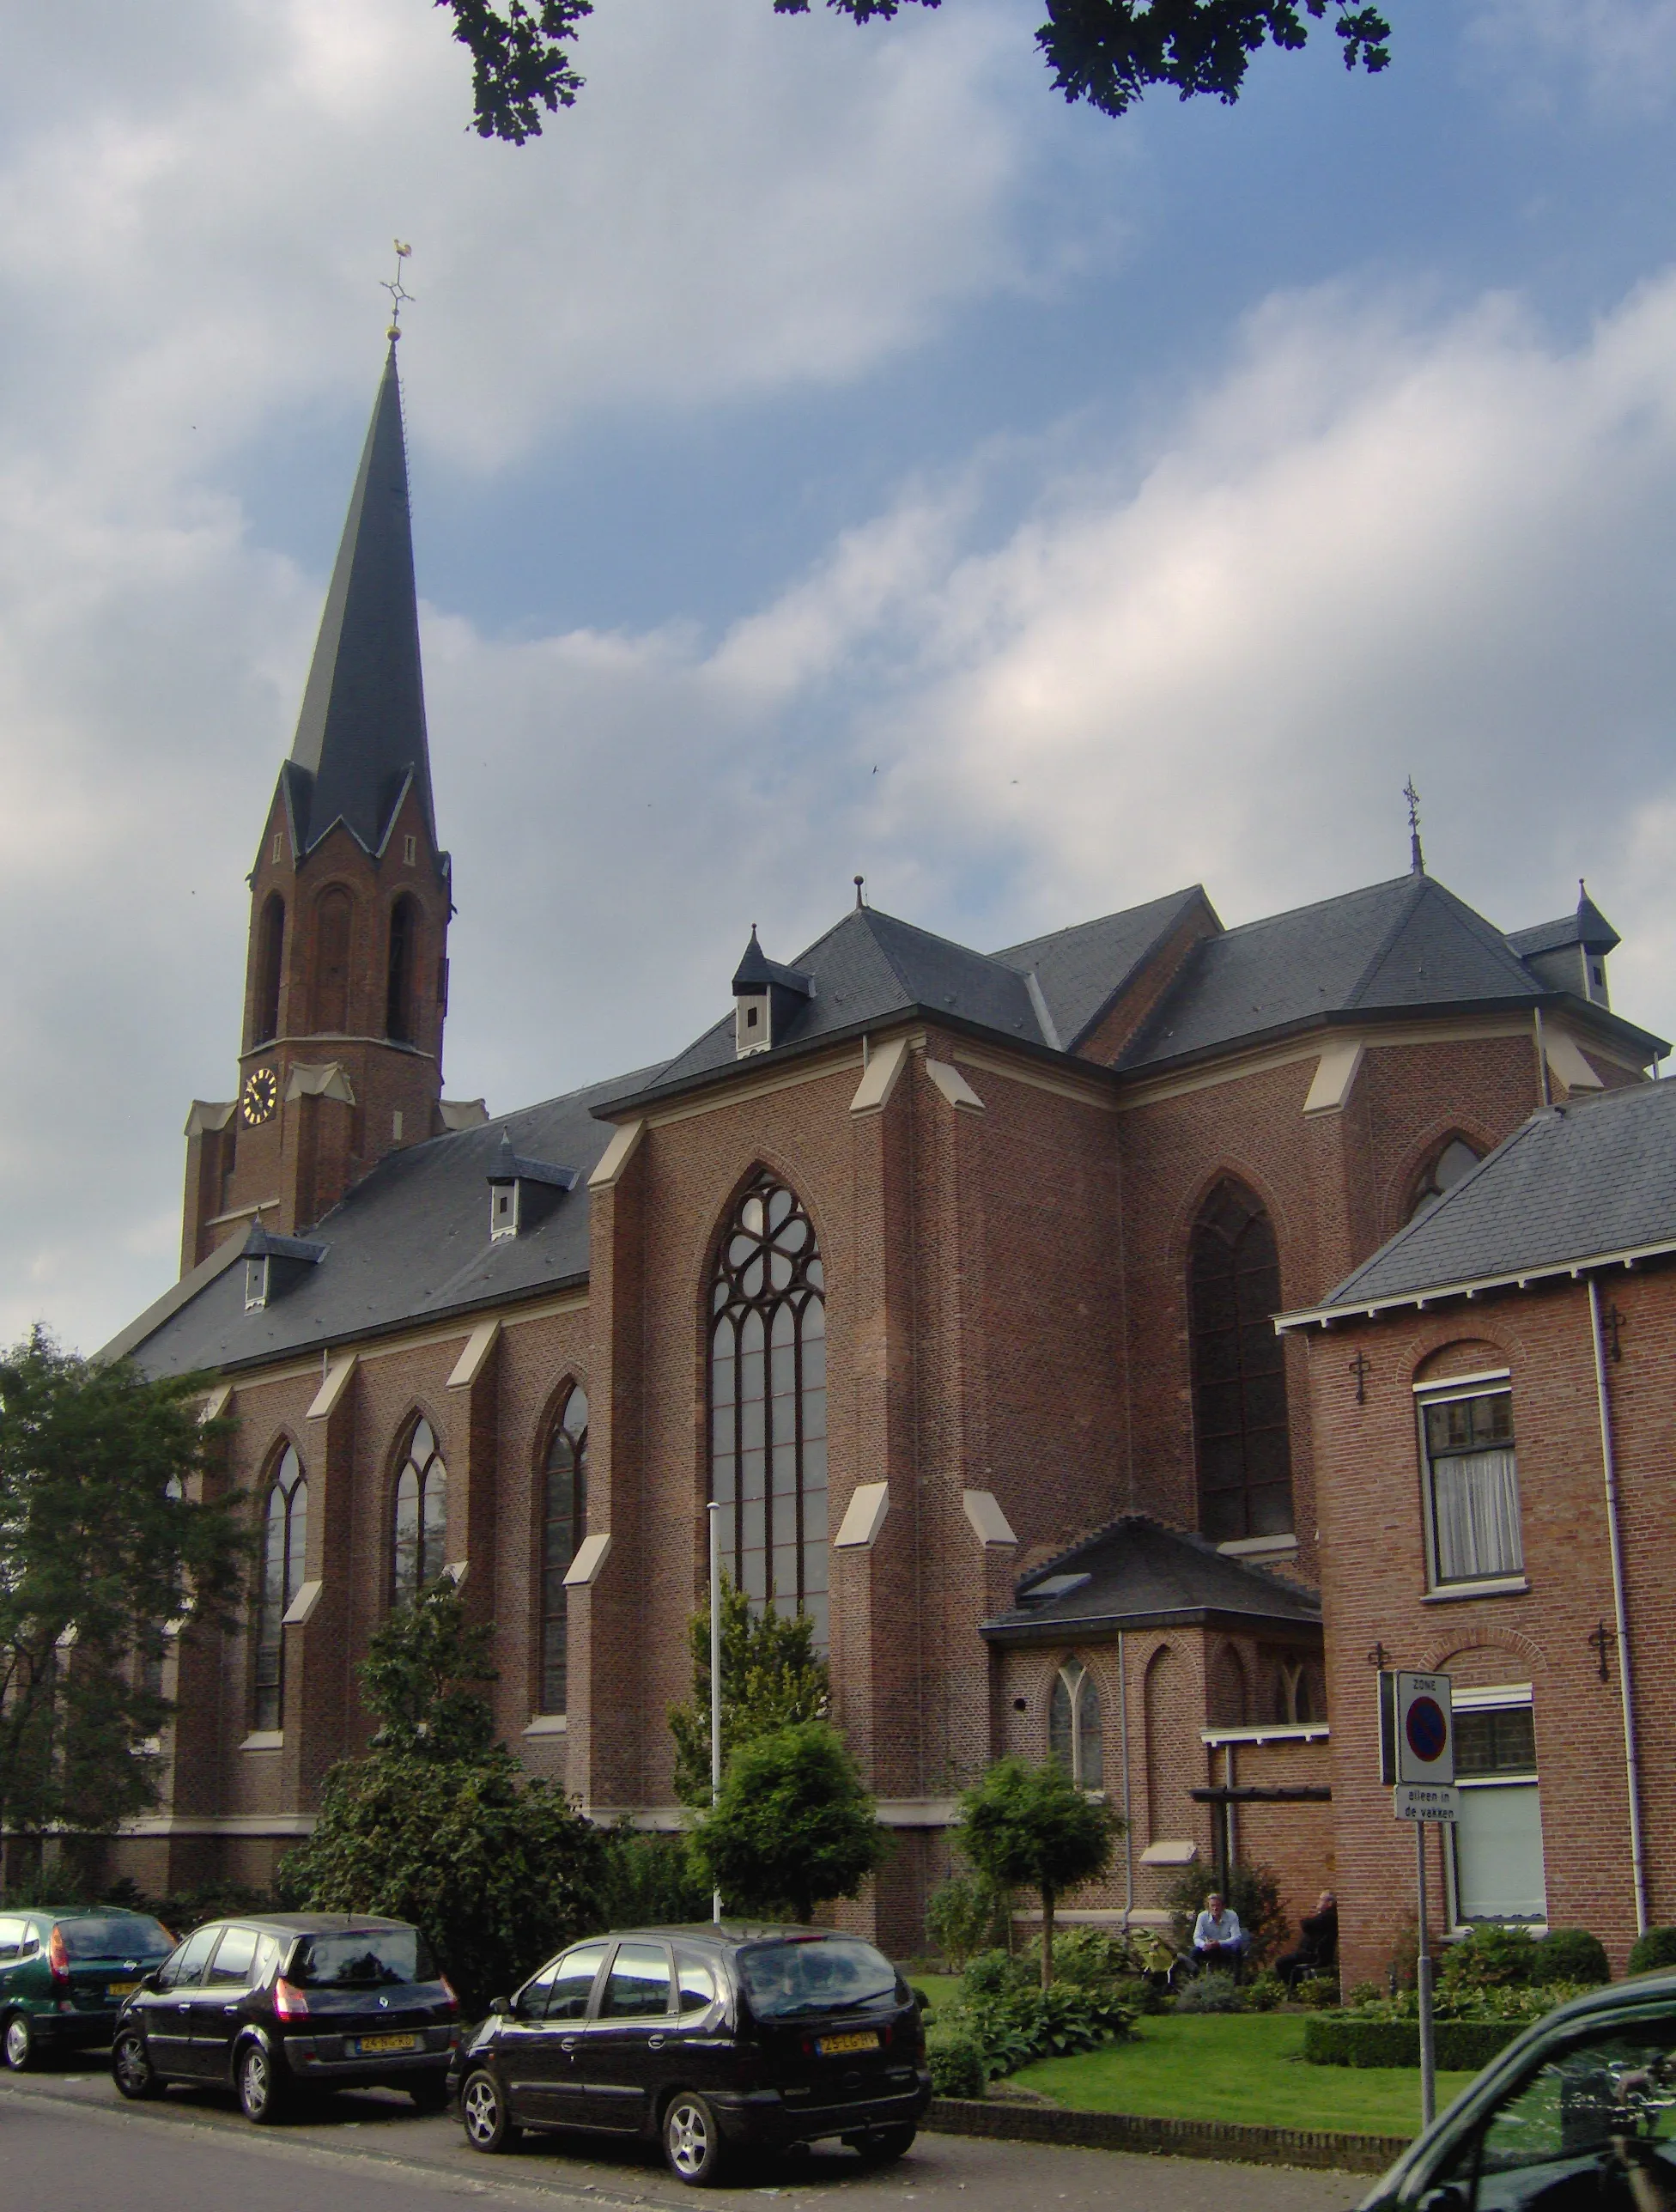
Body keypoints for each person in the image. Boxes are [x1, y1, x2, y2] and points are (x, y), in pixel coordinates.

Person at [1275, 1891, 1339, 1993]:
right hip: (1312, 1954)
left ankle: (1294, 1990)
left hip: (1313, 1955)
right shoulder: (1326, 1916)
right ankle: (1296, 1988)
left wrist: (1318, 1913)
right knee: (1288, 1963)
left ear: (1329, 1903)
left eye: (1321, 1900)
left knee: (1281, 1963)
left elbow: (1306, 1924)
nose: (1318, 1902)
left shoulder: (1328, 1916)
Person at [1191, 1892, 1247, 1975]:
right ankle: (1195, 1980)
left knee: (1237, 1949)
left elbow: (1236, 1937)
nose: (1215, 1908)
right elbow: (1197, 1937)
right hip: (1209, 1947)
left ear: (1223, 1906)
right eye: (1212, 1906)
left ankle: (1237, 1982)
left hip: (1226, 1947)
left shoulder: (1232, 1915)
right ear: (1208, 1907)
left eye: (1218, 1905)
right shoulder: (1202, 1916)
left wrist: (1219, 1943)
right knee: (1194, 1952)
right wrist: (1204, 1945)